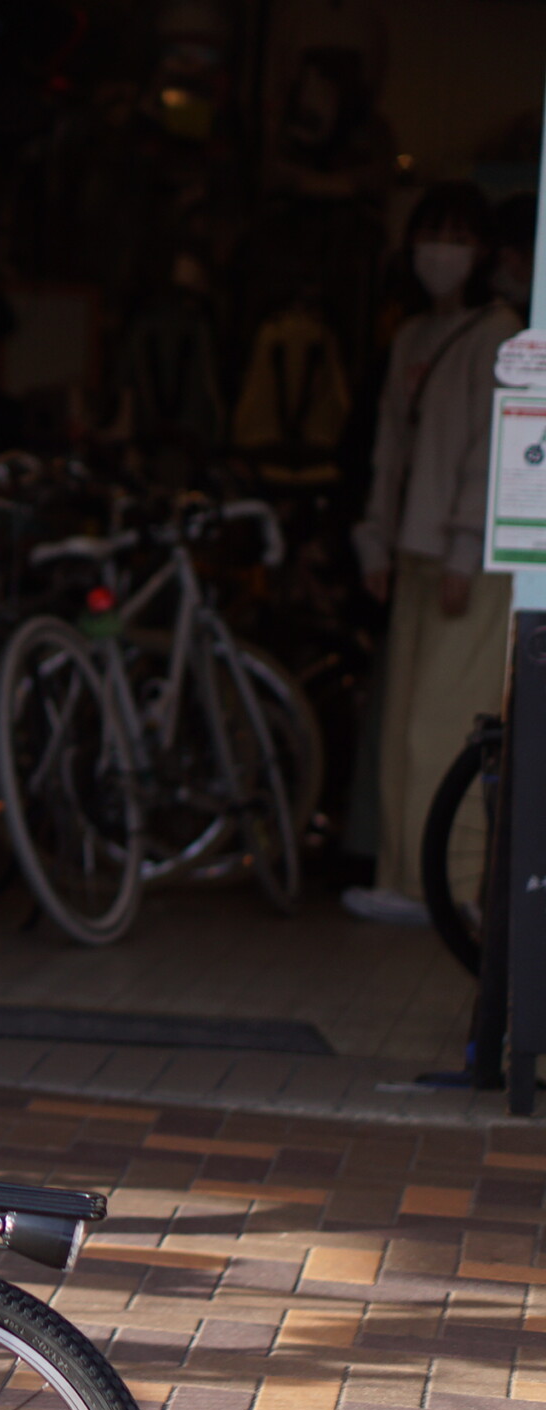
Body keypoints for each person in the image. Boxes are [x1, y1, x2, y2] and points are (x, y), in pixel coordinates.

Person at [345, 182, 520, 925]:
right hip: (414, 554)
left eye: (457, 235)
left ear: (484, 250)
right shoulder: (412, 336)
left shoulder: (499, 333)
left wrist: (463, 546)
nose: (440, 251)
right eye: (430, 233)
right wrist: (375, 542)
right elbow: (390, 450)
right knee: (400, 725)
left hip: (463, 566)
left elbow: (492, 453)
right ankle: (402, 877)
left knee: (442, 723)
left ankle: (440, 891)